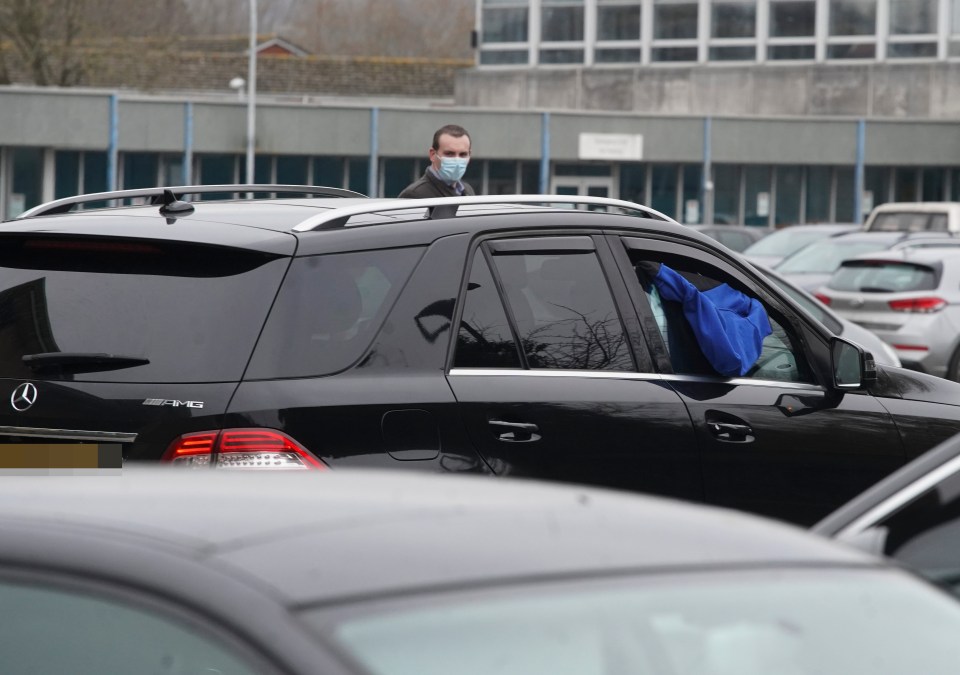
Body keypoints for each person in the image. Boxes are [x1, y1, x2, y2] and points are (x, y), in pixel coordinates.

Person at [399, 124, 476, 198]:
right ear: (432, 155)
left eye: (462, 154)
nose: (457, 160)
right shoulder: (415, 195)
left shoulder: (467, 191)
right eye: (449, 154)